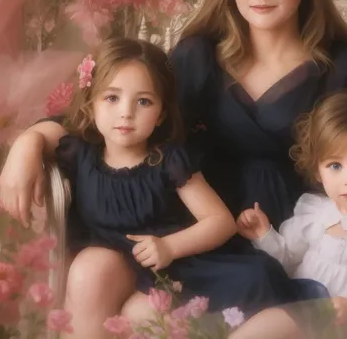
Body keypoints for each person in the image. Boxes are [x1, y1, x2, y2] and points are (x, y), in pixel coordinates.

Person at [0, 0, 347, 338]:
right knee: (132, 308)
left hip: (288, 233)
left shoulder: (340, 65)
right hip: (193, 229)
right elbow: (116, 118)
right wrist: (30, 141)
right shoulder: (199, 55)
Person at [44, 38, 297, 328]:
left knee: (247, 284)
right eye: (112, 98)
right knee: (89, 292)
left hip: (174, 266)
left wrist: (169, 247)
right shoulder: (81, 152)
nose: (126, 112)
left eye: (144, 101)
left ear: (161, 112)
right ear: (91, 104)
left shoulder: (167, 160)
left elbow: (220, 221)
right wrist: (25, 146)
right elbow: (42, 139)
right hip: (117, 268)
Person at [231, 89, 347, 339]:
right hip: (300, 310)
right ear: (318, 170)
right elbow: (289, 258)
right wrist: (264, 234)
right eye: (335, 166)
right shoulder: (315, 212)